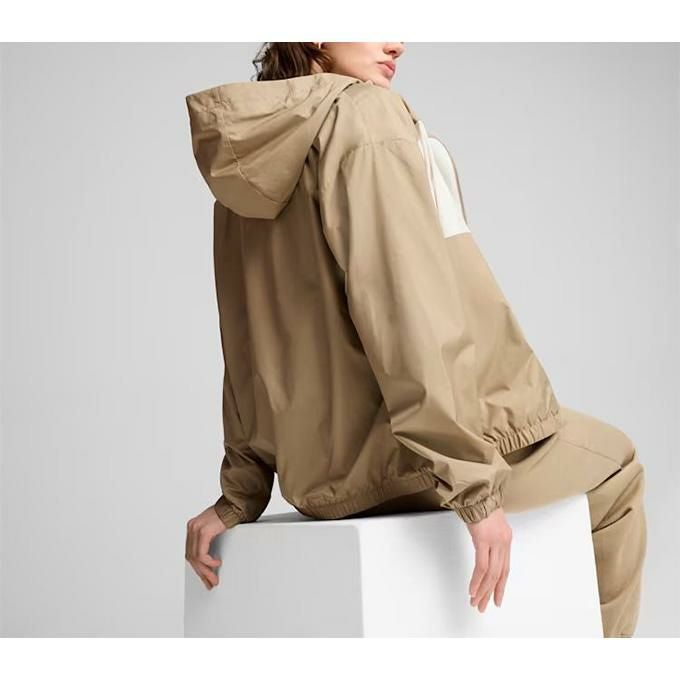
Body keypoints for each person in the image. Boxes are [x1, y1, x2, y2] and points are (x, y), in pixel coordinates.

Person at [183, 42, 647, 637]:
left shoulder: (248, 152)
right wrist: (474, 491)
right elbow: (407, 312)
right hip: (413, 462)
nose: (397, 40)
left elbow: (247, 335)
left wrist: (240, 494)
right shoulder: (365, 115)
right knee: (617, 469)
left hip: (320, 480)